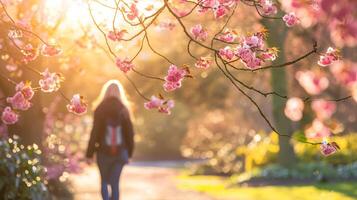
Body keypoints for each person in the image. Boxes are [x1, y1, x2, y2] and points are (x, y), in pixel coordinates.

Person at [86, 80, 134, 200]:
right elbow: (130, 134)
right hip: (120, 152)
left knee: (104, 181)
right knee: (115, 183)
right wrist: (130, 153)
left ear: (105, 92)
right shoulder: (124, 109)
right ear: (120, 92)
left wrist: (89, 153)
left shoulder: (100, 108)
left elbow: (95, 132)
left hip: (103, 152)